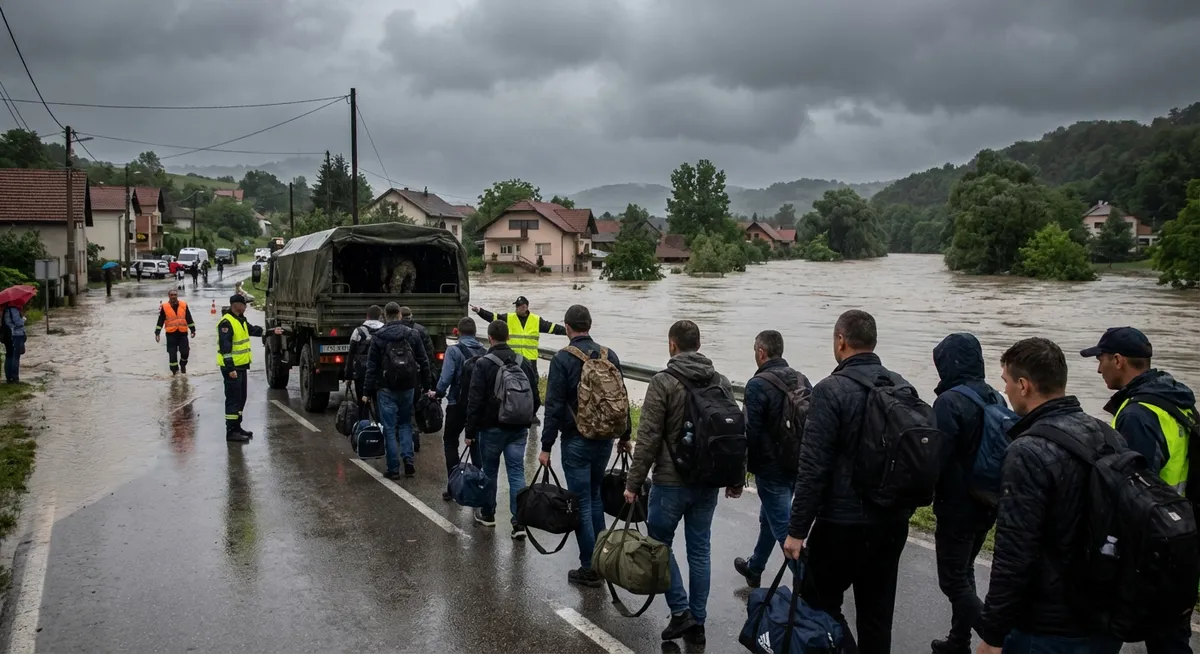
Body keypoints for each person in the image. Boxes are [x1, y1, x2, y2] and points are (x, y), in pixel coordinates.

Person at [975, 338, 1122, 654]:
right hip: (1103, 616)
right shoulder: (1109, 434)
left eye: (1007, 382)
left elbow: (1014, 554)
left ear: (1024, 386)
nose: (1007, 390)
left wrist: (992, 635)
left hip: (1046, 627)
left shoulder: (1027, 451)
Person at [782, 310, 915, 654]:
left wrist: (797, 530)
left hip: (842, 524)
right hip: (892, 522)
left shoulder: (831, 390)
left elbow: (814, 465)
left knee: (819, 604)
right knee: (876, 614)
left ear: (841, 341)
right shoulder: (901, 385)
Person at [1082, 327, 1197, 654]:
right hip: (1180, 531)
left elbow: (1130, 489)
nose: (1098, 368)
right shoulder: (1175, 400)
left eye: (1101, 359)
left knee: (1129, 633)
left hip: (1151, 541)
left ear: (1118, 360)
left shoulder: (1136, 413)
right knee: (1172, 633)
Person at [624, 320, 739, 646]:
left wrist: (633, 483)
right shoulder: (722, 381)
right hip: (708, 482)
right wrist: (735, 478)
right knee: (700, 550)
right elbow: (733, 433)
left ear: (673, 345)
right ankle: (698, 623)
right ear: (698, 345)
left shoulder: (663, 382)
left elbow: (647, 438)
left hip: (670, 482)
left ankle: (680, 612)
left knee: (659, 543)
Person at [539, 305, 633, 587]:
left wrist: (545, 446)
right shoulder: (609, 354)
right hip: (605, 440)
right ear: (589, 325)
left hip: (577, 441)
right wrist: (625, 436)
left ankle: (590, 567)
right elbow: (622, 398)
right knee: (594, 499)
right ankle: (601, 560)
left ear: (567, 327)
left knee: (580, 503)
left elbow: (554, 406)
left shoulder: (563, 359)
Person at [930, 333, 1006, 654]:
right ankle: (958, 640)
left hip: (957, 507)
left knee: (952, 581)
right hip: (988, 502)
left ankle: (996, 639)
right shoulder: (996, 397)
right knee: (966, 569)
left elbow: (937, 457)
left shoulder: (949, 402)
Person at [733, 329, 811, 588]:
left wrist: (741, 470)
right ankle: (755, 568)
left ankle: (811, 592)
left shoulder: (757, 385)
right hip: (797, 464)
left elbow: (750, 432)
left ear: (761, 352)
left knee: (785, 531)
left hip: (771, 469)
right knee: (770, 518)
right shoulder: (801, 379)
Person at [472, 296, 567, 483]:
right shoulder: (509, 318)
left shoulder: (535, 320)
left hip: (527, 362)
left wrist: (569, 331)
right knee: (505, 390)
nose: (517, 309)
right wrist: (480, 311)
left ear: (526, 307)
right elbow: (494, 318)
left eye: (519, 306)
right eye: (515, 306)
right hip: (509, 360)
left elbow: (552, 328)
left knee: (530, 391)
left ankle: (528, 413)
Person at [464, 320, 540, 536]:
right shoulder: (522, 361)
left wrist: (470, 432)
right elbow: (535, 397)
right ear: (508, 337)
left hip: (491, 429)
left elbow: (474, 400)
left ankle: (488, 515)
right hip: (518, 429)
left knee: (489, 471)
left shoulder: (483, 363)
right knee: (516, 472)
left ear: (489, 338)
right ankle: (519, 523)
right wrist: (525, 417)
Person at [363, 302, 430, 479]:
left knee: (389, 428)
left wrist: (366, 391)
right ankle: (408, 461)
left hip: (385, 388)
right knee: (406, 423)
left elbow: (371, 367)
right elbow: (424, 361)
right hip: (408, 386)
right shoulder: (413, 334)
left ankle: (393, 469)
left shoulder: (378, 337)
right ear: (400, 315)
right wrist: (428, 385)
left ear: (384, 316)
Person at [432, 316, 487, 501]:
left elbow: (446, 377)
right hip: (478, 407)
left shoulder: (454, 351)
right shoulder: (484, 351)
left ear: (458, 332)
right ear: (475, 332)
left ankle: (454, 486)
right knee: (476, 443)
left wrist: (438, 392)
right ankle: (478, 484)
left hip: (457, 404)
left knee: (450, 442)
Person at [218, 294, 281, 443]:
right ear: (236, 305)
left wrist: (272, 331)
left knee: (241, 398)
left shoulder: (240, 320)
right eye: (244, 304)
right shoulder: (226, 323)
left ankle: (237, 427)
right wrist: (230, 368)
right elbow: (225, 348)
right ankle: (231, 431)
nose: (246, 306)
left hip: (241, 366)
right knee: (233, 399)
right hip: (232, 367)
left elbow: (253, 330)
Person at [399, 306, 437, 452]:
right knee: (414, 408)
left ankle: (403, 441)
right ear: (411, 315)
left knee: (400, 411)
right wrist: (429, 382)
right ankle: (414, 438)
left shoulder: (393, 331)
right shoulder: (420, 330)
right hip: (416, 377)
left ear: (399, 316)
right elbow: (428, 357)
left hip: (397, 377)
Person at [344, 304, 384, 409]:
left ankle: (364, 423)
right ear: (380, 316)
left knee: (362, 403)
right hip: (380, 371)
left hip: (361, 371)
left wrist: (348, 376)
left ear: (367, 316)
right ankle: (380, 424)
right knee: (379, 404)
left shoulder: (358, 331)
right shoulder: (385, 330)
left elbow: (351, 354)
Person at [156, 289, 196, 375]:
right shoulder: (165, 306)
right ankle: (174, 373)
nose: (173, 296)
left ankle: (182, 364)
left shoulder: (183, 305)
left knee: (185, 352)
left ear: (177, 296)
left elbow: (188, 317)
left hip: (182, 333)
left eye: (175, 295)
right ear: (169, 296)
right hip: (171, 334)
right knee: (172, 354)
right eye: (172, 295)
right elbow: (161, 320)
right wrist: (157, 333)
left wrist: (193, 330)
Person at [3, 302, 26, 384]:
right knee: (15, 357)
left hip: (8, 335)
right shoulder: (13, 309)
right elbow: (18, 322)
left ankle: (9, 378)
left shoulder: (6, 309)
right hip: (16, 335)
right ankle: (15, 378)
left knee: (9, 356)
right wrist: (23, 319)